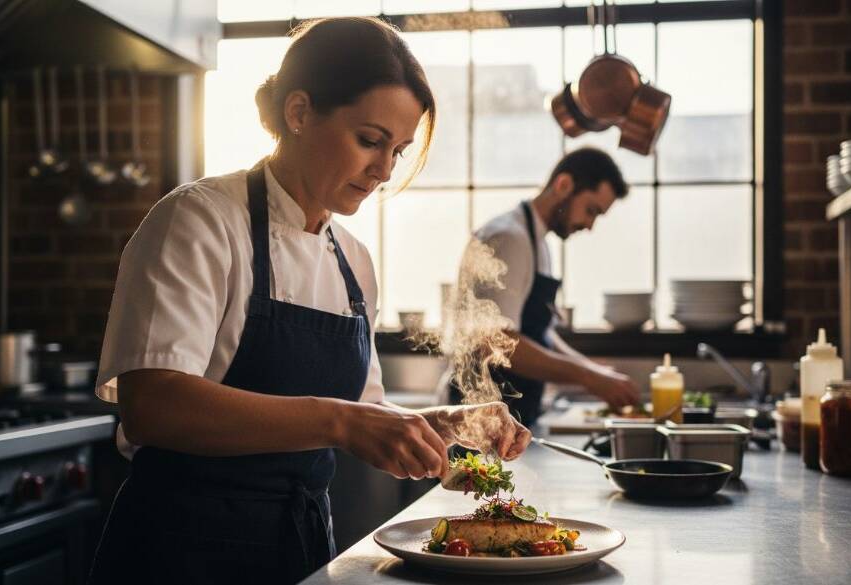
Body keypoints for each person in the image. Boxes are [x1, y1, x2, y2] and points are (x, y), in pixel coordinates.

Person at [88, 17, 530, 585]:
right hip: (181, 549)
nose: (384, 170)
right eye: (370, 140)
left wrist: (444, 426)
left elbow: (365, 414)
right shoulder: (199, 220)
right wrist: (341, 422)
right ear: (298, 113)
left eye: (398, 150)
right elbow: (154, 406)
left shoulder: (353, 259)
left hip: (298, 548)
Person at [449, 148, 641, 427]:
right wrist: (589, 377)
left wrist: (595, 371)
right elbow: (494, 342)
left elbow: (540, 334)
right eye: (591, 210)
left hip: (515, 414)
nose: (589, 225)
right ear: (564, 185)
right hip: (481, 419)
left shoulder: (537, 243)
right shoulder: (507, 238)